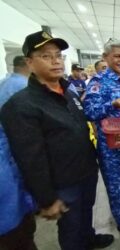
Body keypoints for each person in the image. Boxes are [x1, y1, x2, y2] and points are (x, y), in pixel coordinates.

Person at [0, 31, 113, 250]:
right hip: (63, 182)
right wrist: (46, 199)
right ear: (30, 62)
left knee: (86, 212)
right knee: (70, 228)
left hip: (86, 172)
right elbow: (30, 158)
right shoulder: (21, 105)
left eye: (58, 55)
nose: (55, 60)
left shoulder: (67, 91)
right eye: (46, 56)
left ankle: (89, 238)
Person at [84, 39, 120, 240]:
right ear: (106, 57)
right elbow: (89, 111)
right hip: (111, 148)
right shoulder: (98, 82)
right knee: (116, 186)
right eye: (117, 56)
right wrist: (111, 105)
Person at [0, 56, 37, 250]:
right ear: (31, 63)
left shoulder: (6, 82)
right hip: (9, 170)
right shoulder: (22, 89)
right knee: (19, 236)